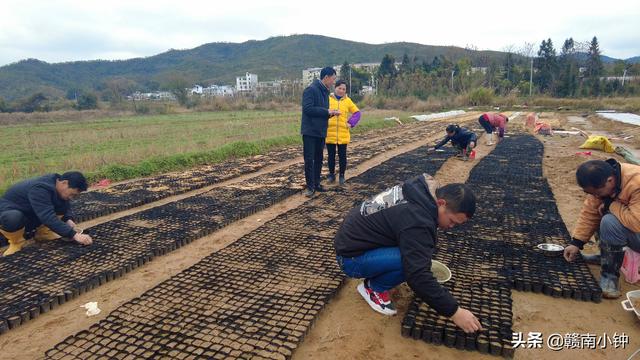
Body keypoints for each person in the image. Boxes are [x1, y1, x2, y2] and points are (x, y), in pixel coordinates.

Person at [333, 174, 483, 333]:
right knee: (410, 263)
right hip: (351, 259)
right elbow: (417, 273)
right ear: (441, 203)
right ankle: (373, 288)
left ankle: (377, 275)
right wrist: (454, 312)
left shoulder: (420, 191)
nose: (451, 226)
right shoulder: (417, 218)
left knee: (417, 255)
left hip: (356, 242)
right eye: (452, 221)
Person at [564, 159, 640, 299]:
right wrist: (576, 243)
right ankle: (606, 257)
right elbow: (590, 212)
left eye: (597, 192)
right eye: (591, 193)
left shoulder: (636, 182)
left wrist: (610, 204)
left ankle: (610, 278)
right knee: (601, 210)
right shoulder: (600, 184)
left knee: (609, 220)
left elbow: (636, 222)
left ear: (610, 180)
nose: (596, 196)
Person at [0, 172, 93, 256]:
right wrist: (74, 235)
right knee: (13, 217)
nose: (72, 198)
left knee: (63, 200)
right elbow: (47, 217)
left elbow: (64, 205)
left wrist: (68, 219)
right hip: (10, 212)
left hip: (31, 212)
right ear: (64, 183)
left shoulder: (57, 186)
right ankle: (16, 243)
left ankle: (43, 233)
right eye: (72, 194)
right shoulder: (41, 188)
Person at [301, 67, 340, 197]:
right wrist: (327, 112)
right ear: (326, 77)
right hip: (310, 131)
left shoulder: (325, 93)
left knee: (318, 159)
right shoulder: (311, 90)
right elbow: (308, 109)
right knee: (309, 160)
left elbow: (323, 112)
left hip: (321, 130)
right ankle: (310, 187)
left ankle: (317, 183)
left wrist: (331, 114)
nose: (333, 82)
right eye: (333, 79)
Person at [326, 79, 361, 186]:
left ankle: (342, 176)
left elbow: (357, 113)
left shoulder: (348, 101)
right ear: (335, 88)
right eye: (339, 88)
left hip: (343, 133)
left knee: (342, 156)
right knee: (331, 156)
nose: (341, 91)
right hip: (329, 133)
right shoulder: (328, 99)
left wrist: (351, 123)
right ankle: (331, 175)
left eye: (344, 89)